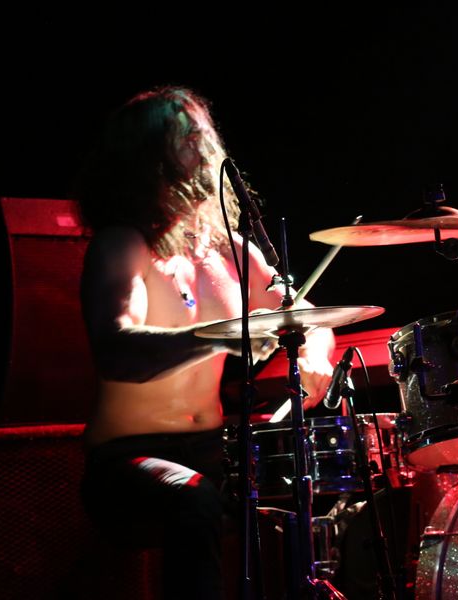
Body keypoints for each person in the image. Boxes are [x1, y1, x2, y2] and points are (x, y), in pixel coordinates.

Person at [76, 86, 334, 599]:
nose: (203, 148)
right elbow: (117, 352)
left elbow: (308, 315)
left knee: (302, 495)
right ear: (148, 156)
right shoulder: (124, 243)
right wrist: (220, 337)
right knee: (193, 500)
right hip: (129, 461)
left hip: (215, 452)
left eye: (203, 135)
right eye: (185, 136)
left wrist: (315, 352)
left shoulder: (230, 250)